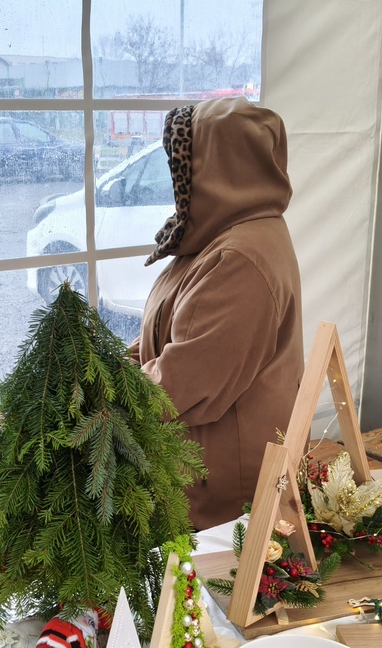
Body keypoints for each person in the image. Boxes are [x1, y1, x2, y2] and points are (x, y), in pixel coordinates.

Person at [134, 98, 304, 530]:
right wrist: (106, 364)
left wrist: (100, 394)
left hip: (220, 501)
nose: (176, 177)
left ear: (220, 167)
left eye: (181, 164)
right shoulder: (220, 234)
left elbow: (185, 383)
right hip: (197, 474)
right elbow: (170, 332)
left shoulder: (239, 259)